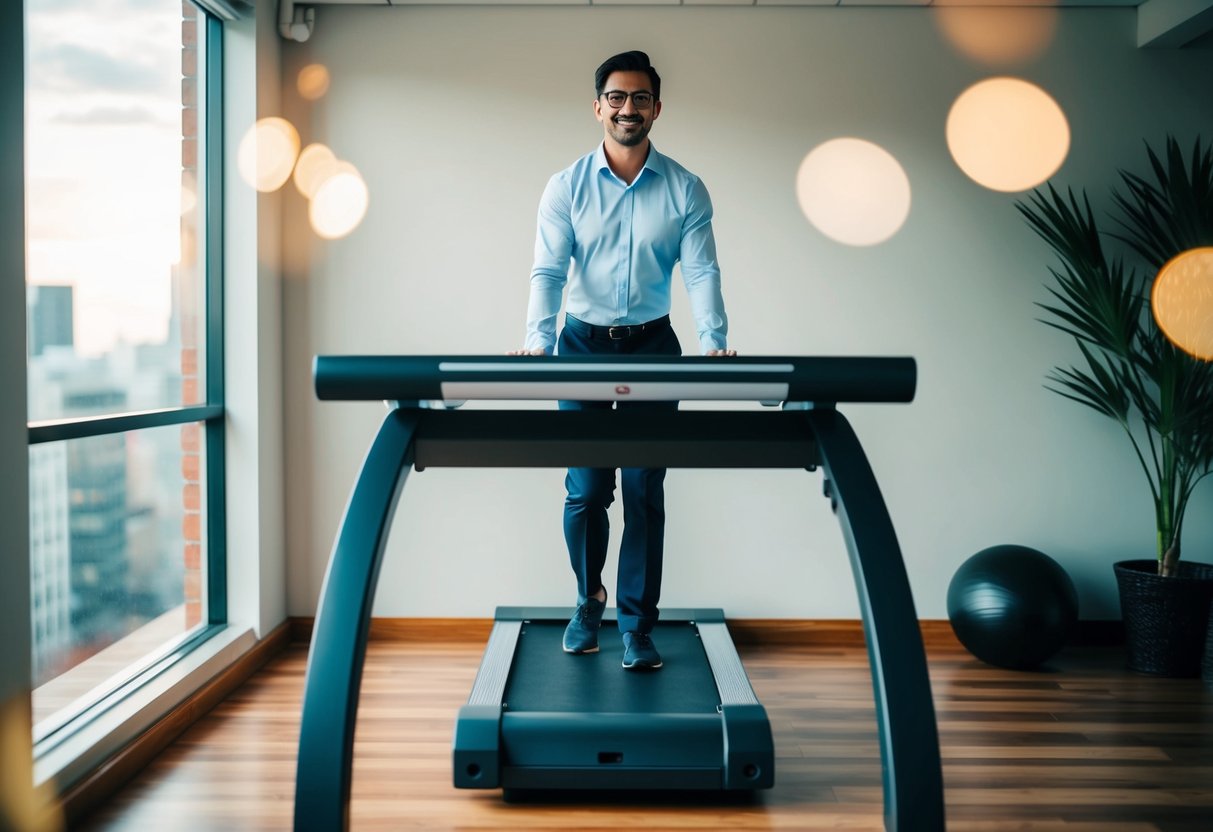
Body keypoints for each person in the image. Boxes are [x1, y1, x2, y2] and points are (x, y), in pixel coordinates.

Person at [510, 50, 735, 671]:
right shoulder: (566, 187)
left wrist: (714, 347)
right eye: (616, 97)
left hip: (653, 348)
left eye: (639, 98)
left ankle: (636, 625)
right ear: (598, 107)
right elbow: (549, 270)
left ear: (656, 108)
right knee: (586, 490)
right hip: (580, 345)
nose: (627, 108)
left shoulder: (685, 188)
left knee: (643, 491)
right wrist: (536, 343)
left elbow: (702, 271)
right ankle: (588, 602)